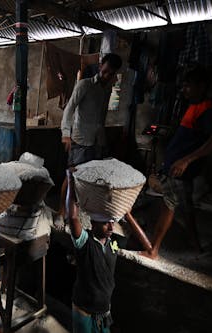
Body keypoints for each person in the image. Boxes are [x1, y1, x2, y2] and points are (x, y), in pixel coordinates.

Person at [140, 65, 212, 259]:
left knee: (168, 205)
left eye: (188, 86)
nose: (183, 90)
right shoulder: (193, 106)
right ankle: (196, 246)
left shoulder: (207, 110)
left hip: (180, 170)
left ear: (201, 86)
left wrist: (186, 160)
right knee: (185, 208)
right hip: (176, 167)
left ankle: (153, 250)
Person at [57, 53, 123, 224]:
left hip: (96, 142)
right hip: (80, 139)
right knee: (71, 177)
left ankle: (79, 212)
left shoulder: (107, 90)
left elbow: (101, 118)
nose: (107, 76)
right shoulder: (84, 85)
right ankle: (61, 211)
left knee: (89, 179)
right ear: (100, 66)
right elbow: (69, 110)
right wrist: (65, 134)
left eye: (111, 73)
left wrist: (103, 141)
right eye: (106, 71)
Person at [66, 172, 119, 333]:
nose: (111, 228)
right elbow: (73, 217)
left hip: (104, 311)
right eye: (105, 224)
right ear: (93, 222)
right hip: (85, 312)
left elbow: (144, 244)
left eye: (112, 223)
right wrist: (70, 181)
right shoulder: (85, 242)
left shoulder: (113, 243)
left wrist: (128, 214)